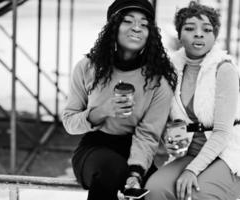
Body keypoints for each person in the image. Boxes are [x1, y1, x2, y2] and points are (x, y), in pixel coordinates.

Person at [145, 2, 240, 200]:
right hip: (191, 151)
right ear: (179, 34)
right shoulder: (171, 69)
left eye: (207, 29)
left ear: (215, 36)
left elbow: (222, 132)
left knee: (196, 194)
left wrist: (192, 170)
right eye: (190, 28)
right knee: (155, 189)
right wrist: (173, 140)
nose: (199, 34)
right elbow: (170, 119)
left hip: (231, 153)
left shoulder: (224, 69)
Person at [61, 0, 177, 199]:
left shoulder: (159, 81)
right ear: (113, 27)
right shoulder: (88, 67)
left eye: (144, 24)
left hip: (137, 152)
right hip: (95, 149)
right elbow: (70, 123)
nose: (136, 28)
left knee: (156, 191)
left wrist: (135, 173)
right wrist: (101, 111)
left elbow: (148, 135)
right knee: (111, 168)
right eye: (128, 21)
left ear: (151, 34)